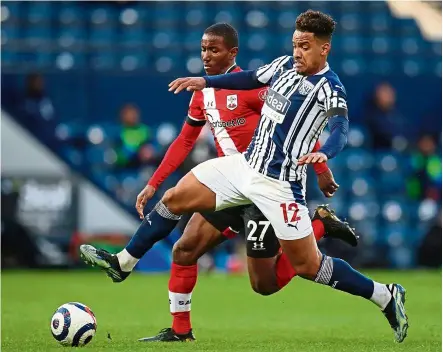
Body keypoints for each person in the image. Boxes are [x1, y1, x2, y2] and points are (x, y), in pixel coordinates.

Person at [83, 11, 409, 343]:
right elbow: (251, 78)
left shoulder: (330, 88)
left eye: (305, 46)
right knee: (174, 198)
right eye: (296, 44)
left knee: (302, 270)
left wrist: (326, 155)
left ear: (324, 49)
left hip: (279, 185)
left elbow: (340, 128)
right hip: (243, 167)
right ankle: (124, 263)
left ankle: (384, 295)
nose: (297, 52)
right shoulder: (283, 66)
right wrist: (205, 82)